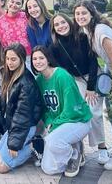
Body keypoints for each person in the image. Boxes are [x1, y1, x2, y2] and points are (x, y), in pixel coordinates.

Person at [74, 0, 112, 171]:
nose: (80, 17)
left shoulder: (100, 31)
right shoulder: (90, 30)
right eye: (77, 14)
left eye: (83, 13)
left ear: (92, 14)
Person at [49, 13, 105, 159]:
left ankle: (102, 147)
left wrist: (91, 87)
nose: (61, 26)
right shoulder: (55, 46)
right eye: (57, 25)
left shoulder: (82, 38)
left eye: (63, 22)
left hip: (92, 77)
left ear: (69, 22)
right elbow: (61, 71)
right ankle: (78, 147)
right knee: (77, 112)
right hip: (75, 80)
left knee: (94, 113)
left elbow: (93, 62)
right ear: (54, 29)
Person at [31, 46, 92, 177]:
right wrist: (49, 122)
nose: (38, 61)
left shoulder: (62, 76)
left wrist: (53, 126)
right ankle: (72, 143)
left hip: (78, 121)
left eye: (41, 58)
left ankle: (75, 153)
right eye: (34, 59)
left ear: (48, 59)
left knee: (52, 141)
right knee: (48, 169)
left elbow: (71, 110)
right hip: (59, 123)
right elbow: (44, 110)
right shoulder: (39, 80)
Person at [0, 43, 43, 174]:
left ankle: (34, 146)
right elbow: (7, 97)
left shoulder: (26, 82)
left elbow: (22, 116)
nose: (9, 62)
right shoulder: (11, 74)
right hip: (13, 125)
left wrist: (14, 144)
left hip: (26, 126)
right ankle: (26, 147)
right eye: (8, 59)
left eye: (13, 59)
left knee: (1, 167)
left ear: (21, 59)